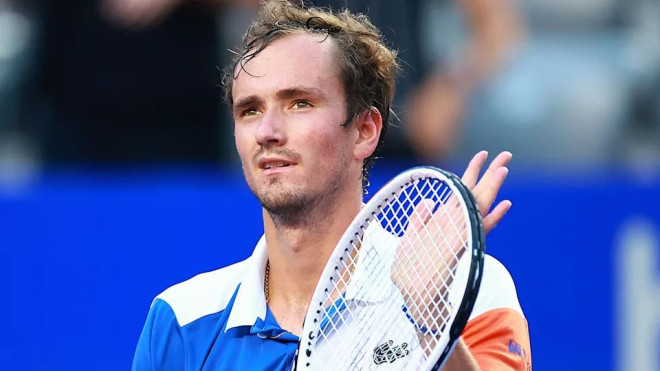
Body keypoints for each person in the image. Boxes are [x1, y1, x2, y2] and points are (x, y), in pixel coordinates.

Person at [132, 1, 531, 370]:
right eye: (250, 110)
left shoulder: (467, 291)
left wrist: (431, 323)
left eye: (299, 103)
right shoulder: (181, 319)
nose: (267, 132)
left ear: (364, 130)